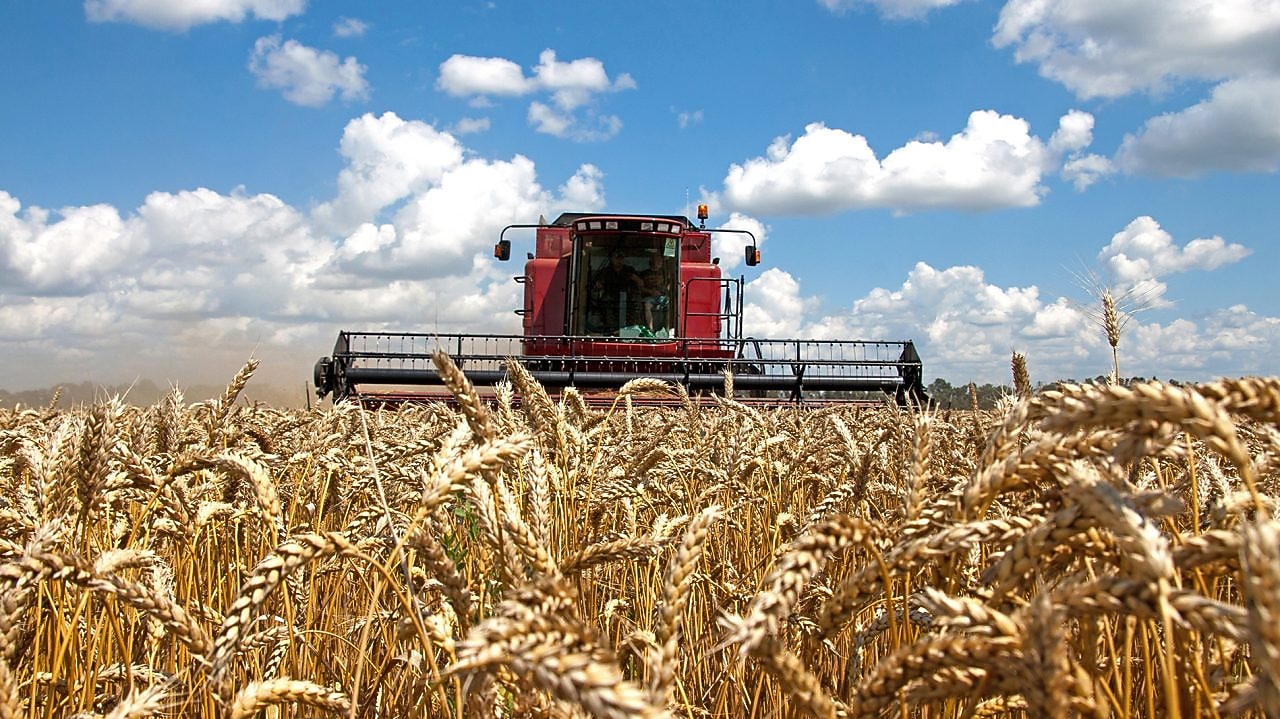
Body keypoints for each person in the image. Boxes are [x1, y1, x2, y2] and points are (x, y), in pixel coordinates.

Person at [591, 250, 643, 333]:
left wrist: (636, 279)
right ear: (611, 258)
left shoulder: (630, 270)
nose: (619, 260)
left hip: (628, 302)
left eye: (621, 257)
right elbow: (596, 287)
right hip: (610, 302)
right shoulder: (605, 271)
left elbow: (641, 284)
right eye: (616, 257)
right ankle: (611, 332)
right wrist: (598, 286)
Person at [640, 253, 671, 331]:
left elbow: (669, 284)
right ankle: (651, 329)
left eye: (660, 260)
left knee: (669, 304)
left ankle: (667, 328)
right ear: (652, 262)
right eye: (657, 260)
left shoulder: (665, 273)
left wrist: (665, 290)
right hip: (649, 297)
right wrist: (650, 291)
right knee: (647, 305)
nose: (660, 262)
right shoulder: (644, 273)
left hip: (662, 297)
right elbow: (640, 288)